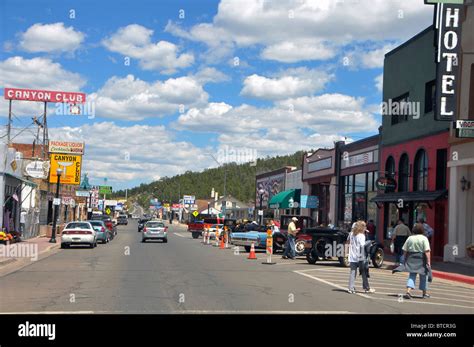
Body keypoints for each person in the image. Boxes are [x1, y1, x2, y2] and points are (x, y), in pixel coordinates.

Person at [393, 223, 432, 299]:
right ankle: (424, 293)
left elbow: (404, 250)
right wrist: (429, 261)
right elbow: (427, 251)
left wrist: (404, 258)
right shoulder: (424, 238)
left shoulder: (410, 238)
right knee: (424, 275)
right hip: (421, 258)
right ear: (422, 230)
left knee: (412, 275)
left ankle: (408, 291)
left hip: (411, 258)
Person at [347, 221, 375, 294]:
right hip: (360, 256)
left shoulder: (351, 234)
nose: (366, 227)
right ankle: (366, 288)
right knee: (364, 272)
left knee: (353, 273)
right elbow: (362, 245)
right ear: (362, 227)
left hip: (352, 255)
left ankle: (351, 288)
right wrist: (369, 242)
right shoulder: (361, 236)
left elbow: (348, 242)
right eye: (365, 226)